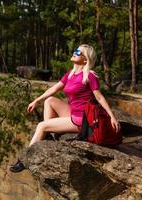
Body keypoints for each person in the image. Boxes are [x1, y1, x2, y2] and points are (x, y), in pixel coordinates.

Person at [9, 44, 121, 173]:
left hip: (82, 120)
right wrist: (36, 100)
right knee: (50, 101)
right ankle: (48, 135)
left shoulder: (90, 76)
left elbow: (100, 98)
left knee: (41, 126)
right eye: (76, 50)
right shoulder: (70, 74)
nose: (75, 52)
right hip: (73, 113)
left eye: (78, 52)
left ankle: (24, 160)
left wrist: (112, 117)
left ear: (86, 59)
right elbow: (54, 88)